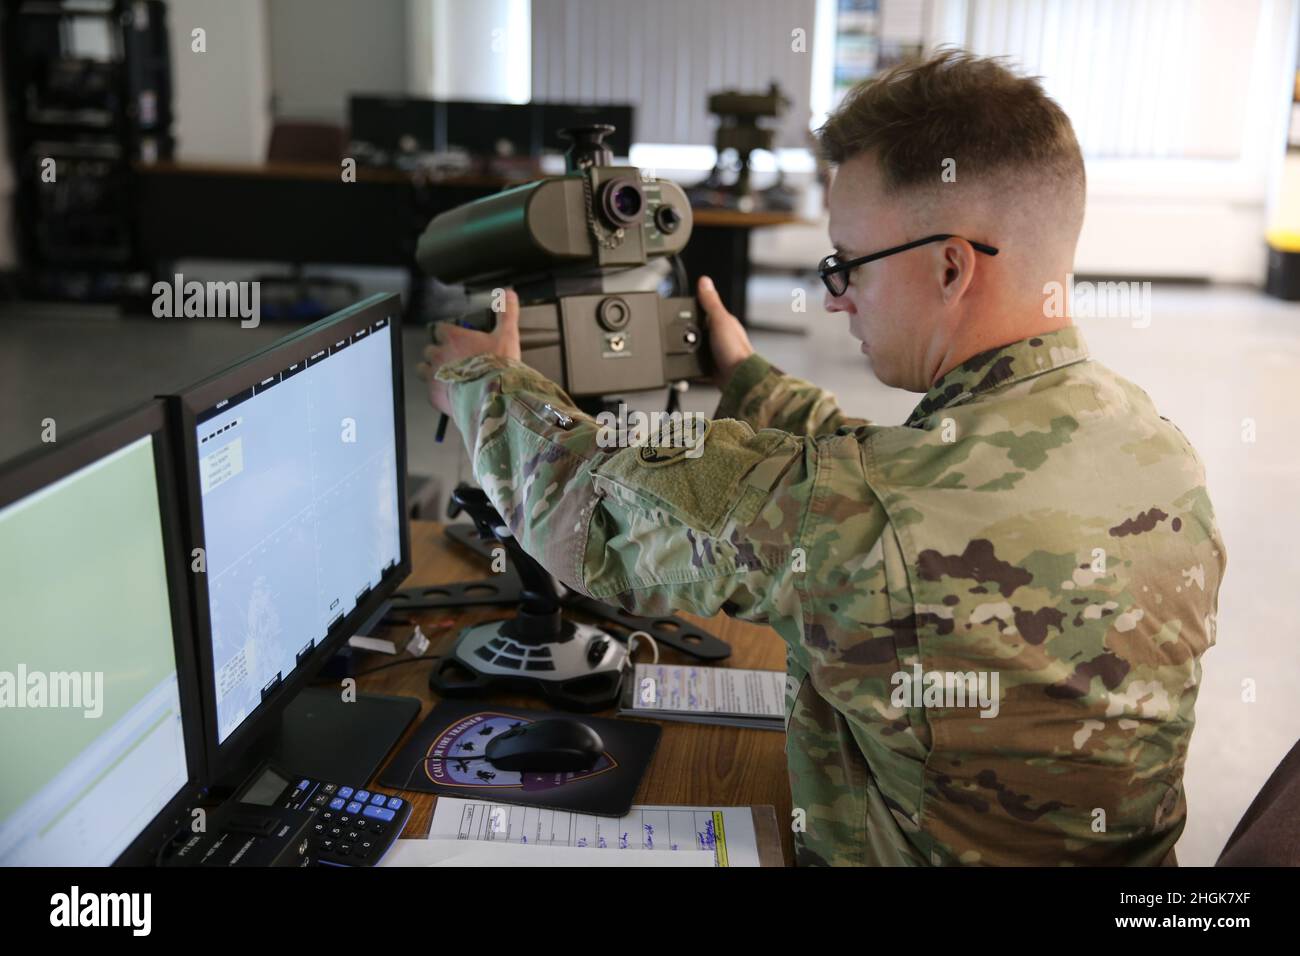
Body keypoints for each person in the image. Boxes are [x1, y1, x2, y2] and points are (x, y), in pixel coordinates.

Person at [417, 50, 1225, 866]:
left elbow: (573, 504)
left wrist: (483, 382)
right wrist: (748, 378)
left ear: (951, 266)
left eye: (847, 264)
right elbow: (887, 475)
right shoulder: (1158, 447)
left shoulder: (865, 518)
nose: (835, 298)